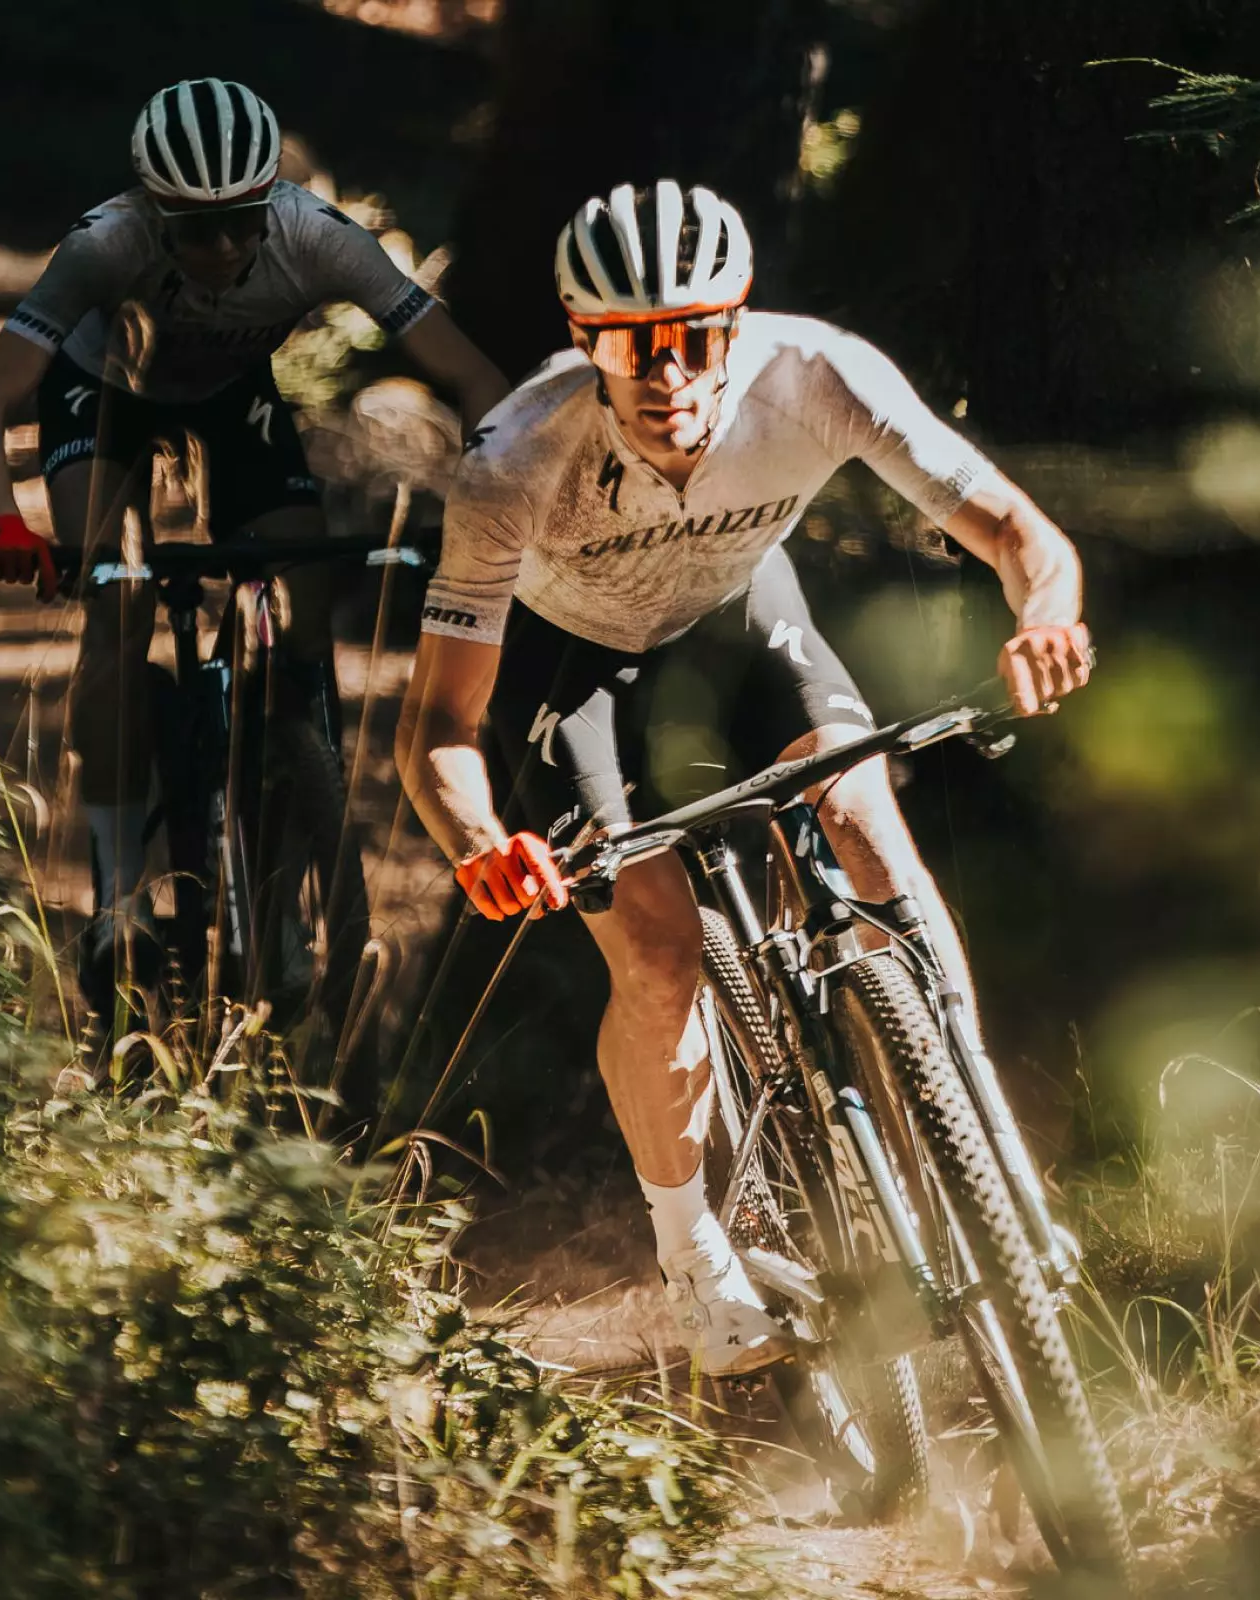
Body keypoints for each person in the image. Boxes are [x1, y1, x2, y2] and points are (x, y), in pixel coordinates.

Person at [395, 180, 1092, 1373]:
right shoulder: (512, 457)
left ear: (738, 322)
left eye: (694, 337)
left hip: (741, 618)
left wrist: (1045, 619)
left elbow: (1022, 535)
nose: (666, 373)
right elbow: (438, 725)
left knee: (865, 823)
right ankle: (699, 1265)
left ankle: (984, 1155)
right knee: (659, 957)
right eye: (630, 346)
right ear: (584, 340)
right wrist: (479, 843)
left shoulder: (818, 374)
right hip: (575, 667)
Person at [0, 78, 508, 1011]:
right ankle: (119, 896)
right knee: (119, 598)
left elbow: (475, 377)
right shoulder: (103, 244)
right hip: (103, 394)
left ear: (270, 204)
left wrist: (496, 499)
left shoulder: (322, 238)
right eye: (195, 229)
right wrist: (2, 522)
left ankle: (287, 819)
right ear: (152, 211)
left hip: (232, 397)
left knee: (302, 592)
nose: (223, 249)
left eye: (242, 223)